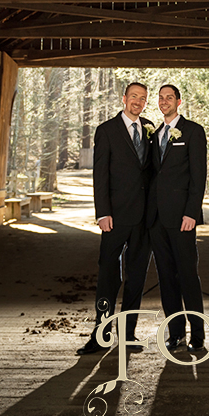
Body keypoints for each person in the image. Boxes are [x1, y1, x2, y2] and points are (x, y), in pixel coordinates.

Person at [77, 81, 154, 355]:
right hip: (116, 217)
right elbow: (100, 175)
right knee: (109, 275)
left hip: (145, 219)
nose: (138, 101)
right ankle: (101, 334)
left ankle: (129, 334)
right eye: (134, 96)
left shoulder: (150, 128)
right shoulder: (106, 130)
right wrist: (102, 213)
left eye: (143, 98)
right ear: (124, 98)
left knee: (136, 278)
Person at [147, 83, 207, 352]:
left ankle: (198, 335)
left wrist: (191, 213)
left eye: (169, 98)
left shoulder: (193, 132)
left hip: (182, 217)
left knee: (187, 276)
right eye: (160, 98)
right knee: (166, 278)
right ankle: (175, 334)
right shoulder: (154, 134)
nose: (164, 102)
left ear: (179, 102)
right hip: (156, 219)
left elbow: (198, 176)